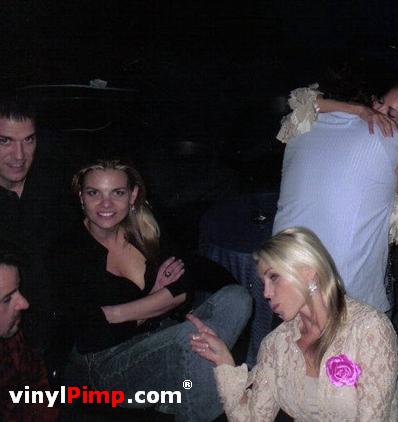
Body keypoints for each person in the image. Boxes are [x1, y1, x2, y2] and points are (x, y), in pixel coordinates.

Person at [53, 159, 252, 421]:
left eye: (117, 193)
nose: (105, 204)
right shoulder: (66, 251)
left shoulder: (144, 227)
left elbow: (184, 285)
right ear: (81, 197)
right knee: (193, 339)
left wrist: (114, 313)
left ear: (133, 195)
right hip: (107, 365)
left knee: (238, 298)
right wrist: (158, 300)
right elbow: (92, 335)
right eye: (94, 193)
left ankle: (184, 386)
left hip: (161, 335)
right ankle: (191, 391)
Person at [189, 227, 398, 421]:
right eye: (263, 283)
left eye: (274, 277)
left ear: (308, 272)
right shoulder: (276, 344)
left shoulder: (369, 330)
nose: (266, 293)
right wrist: (224, 361)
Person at [272, 83, 398, 312]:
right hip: (341, 290)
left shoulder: (320, 120)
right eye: (380, 102)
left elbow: (301, 104)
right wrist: (360, 110)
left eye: (391, 113)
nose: (378, 112)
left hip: (281, 267)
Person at [0, 96, 72, 354]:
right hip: (14, 345)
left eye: (28, 140)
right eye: (5, 141)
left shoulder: (56, 183)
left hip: (70, 332)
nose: (19, 155)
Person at [0, 244, 59, 421]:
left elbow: (35, 381)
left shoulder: (11, 339)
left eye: (18, 289)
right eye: (7, 299)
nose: (24, 303)